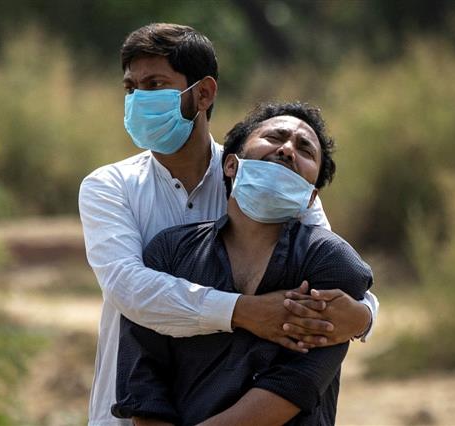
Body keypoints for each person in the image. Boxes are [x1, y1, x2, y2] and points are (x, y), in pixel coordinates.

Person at [78, 23, 379, 426]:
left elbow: (333, 270)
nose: (138, 100)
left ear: (203, 93)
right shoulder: (109, 187)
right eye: (131, 88)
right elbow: (129, 290)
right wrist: (246, 311)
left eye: (155, 85)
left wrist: (363, 317)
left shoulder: (265, 177)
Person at [112, 102, 373, 425]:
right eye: (276, 137)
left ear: (311, 197)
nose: (288, 150)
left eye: (305, 149)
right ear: (231, 166)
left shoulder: (329, 262)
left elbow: (295, 383)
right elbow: (143, 379)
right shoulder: (170, 252)